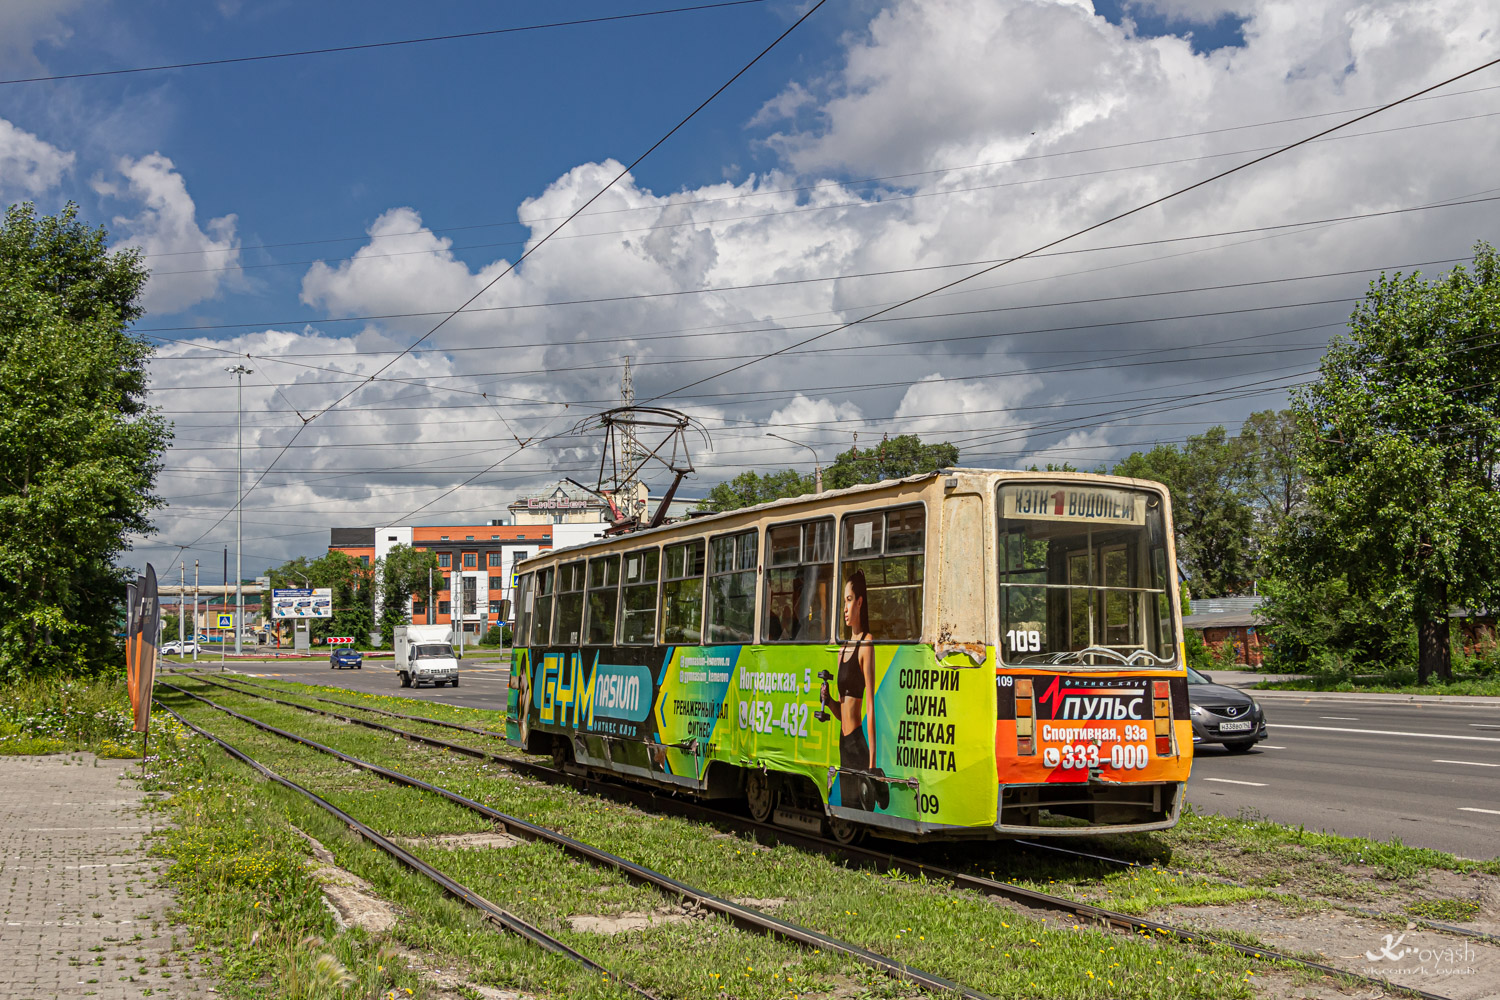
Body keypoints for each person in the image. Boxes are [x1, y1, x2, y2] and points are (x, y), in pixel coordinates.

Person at [820, 570, 876, 808]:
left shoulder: (866, 643)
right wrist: (829, 700)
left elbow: (870, 707)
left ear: (860, 602)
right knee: (847, 807)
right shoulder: (842, 650)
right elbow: (841, 711)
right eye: (844, 601)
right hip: (843, 744)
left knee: (861, 808)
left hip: (857, 744)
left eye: (849, 600)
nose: (845, 608)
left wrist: (872, 764)